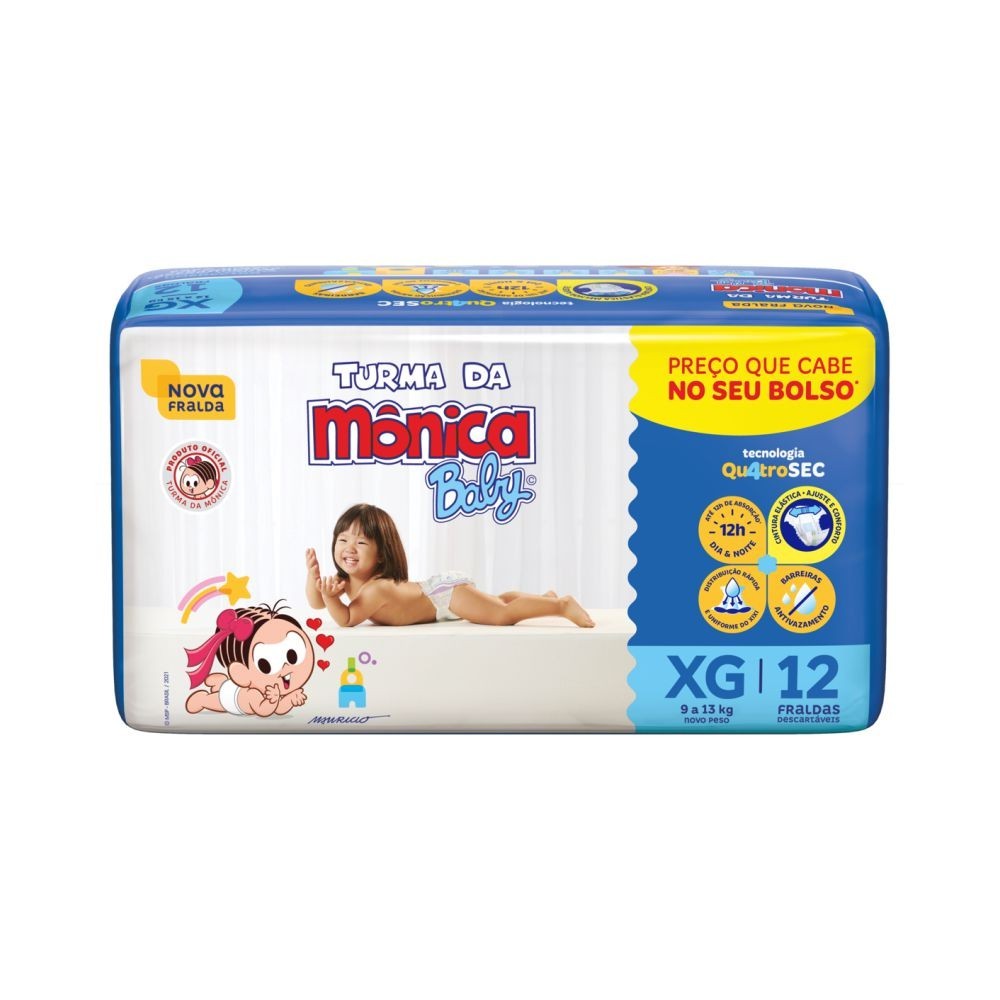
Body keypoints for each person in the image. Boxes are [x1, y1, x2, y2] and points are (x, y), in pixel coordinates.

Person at [305, 503, 594, 628]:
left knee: (501, 614)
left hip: (444, 596)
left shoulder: (375, 589)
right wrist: (314, 578)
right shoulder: (348, 580)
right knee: (498, 601)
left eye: (361, 542)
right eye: (342, 540)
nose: (349, 549)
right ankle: (544, 599)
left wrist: (331, 597)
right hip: (438, 595)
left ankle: (561, 606)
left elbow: (346, 619)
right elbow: (317, 603)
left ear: (382, 554)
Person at [185, 603, 314, 716]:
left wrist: (290, 699)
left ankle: (220, 683)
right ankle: (202, 699)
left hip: (233, 687)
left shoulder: (271, 689)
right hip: (229, 698)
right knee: (214, 700)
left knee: (224, 685)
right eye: (267, 664)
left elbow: (280, 709)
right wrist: (273, 700)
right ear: (241, 674)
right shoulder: (253, 694)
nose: (286, 666)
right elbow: (263, 710)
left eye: (293, 656)